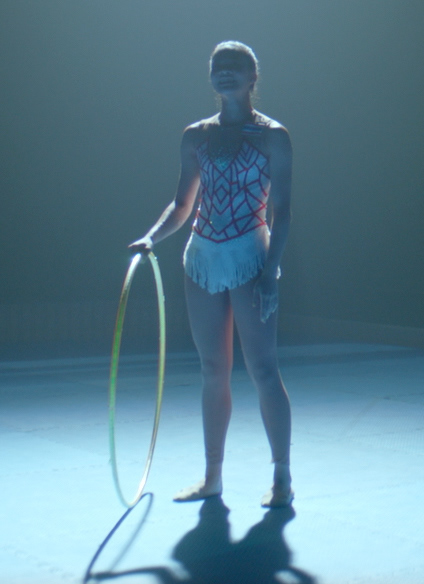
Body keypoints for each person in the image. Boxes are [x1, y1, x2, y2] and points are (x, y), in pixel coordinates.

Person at [130, 41, 294, 507]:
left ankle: (282, 477)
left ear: (252, 77)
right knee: (212, 369)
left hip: (249, 256)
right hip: (202, 257)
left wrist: (270, 269)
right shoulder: (195, 136)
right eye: (218, 66)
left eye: (235, 66)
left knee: (263, 368)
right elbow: (183, 204)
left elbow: (282, 210)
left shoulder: (273, 136)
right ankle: (212, 477)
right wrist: (151, 238)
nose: (225, 72)